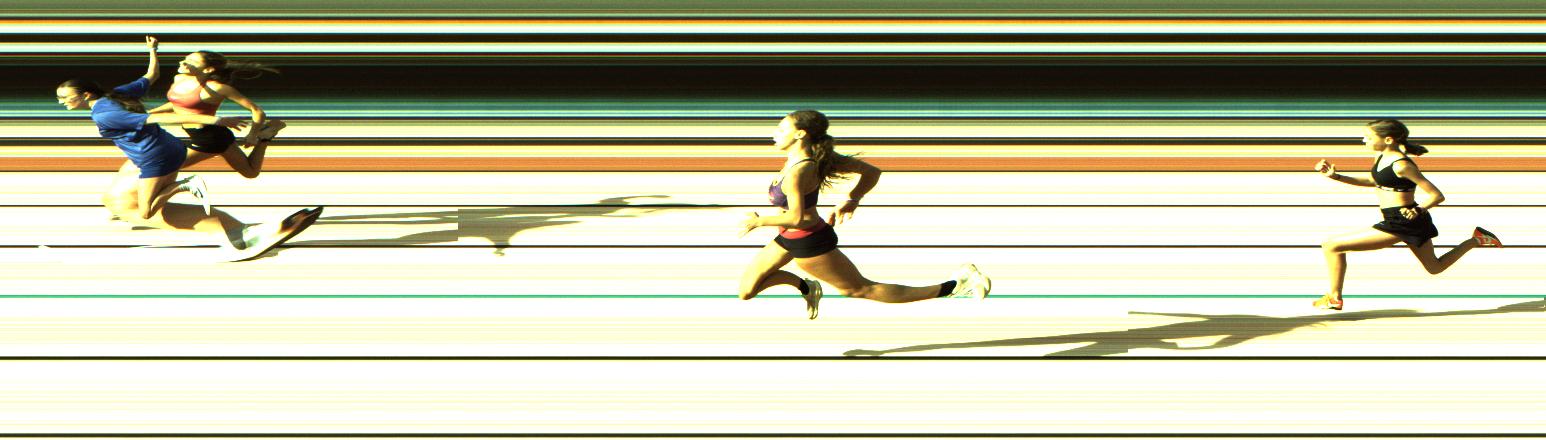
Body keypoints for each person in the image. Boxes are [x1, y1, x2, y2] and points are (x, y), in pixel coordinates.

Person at [55, 36, 319, 261]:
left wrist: (227, 124)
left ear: (85, 95)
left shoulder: (106, 113)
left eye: (65, 98)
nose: (62, 102)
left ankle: (212, 212)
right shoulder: (131, 91)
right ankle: (264, 142)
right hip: (177, 142)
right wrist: (152, 51)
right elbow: (153, 79)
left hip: (186, 146)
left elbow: (157, 118)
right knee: (247, 171)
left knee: (147, 204)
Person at [738, 110, 991, 319]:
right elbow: (871, 172)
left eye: (781, 128)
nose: (775, 133)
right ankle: (807, 287)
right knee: (746, 291)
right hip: (786, 237)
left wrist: (760, 221)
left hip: (809, 241)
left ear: (800, 134)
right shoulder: (811, 158)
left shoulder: (799, 171)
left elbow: (796, 218)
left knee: (860, 289)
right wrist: (851, 200)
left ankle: (956, 285)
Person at [1313, 119, 1502, 310]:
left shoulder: (1402, 165)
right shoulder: (1380, 157)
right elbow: (1373, 181)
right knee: (1434, 267)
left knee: (1332, 246)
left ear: (1388, 139)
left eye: (1369, 137)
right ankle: (1477, 240)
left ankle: (1334, 298)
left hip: (1405, 221)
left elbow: (1436, 195)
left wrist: (1418, 209)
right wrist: (1337, 177)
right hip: (1397, 220)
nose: (1364, 140)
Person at [149, 47, 286, 178]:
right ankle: (265, 137)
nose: (183, 62)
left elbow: (257, 111)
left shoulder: (218, 88)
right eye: (185, 58)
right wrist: (150, 112)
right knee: (250, 172)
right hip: (201, 133)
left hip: (210, 138)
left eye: (192, 61)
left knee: (167, 166)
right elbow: (178, 104)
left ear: (208, 69)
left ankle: (186, 187)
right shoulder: (179, 79)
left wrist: (252, 134)